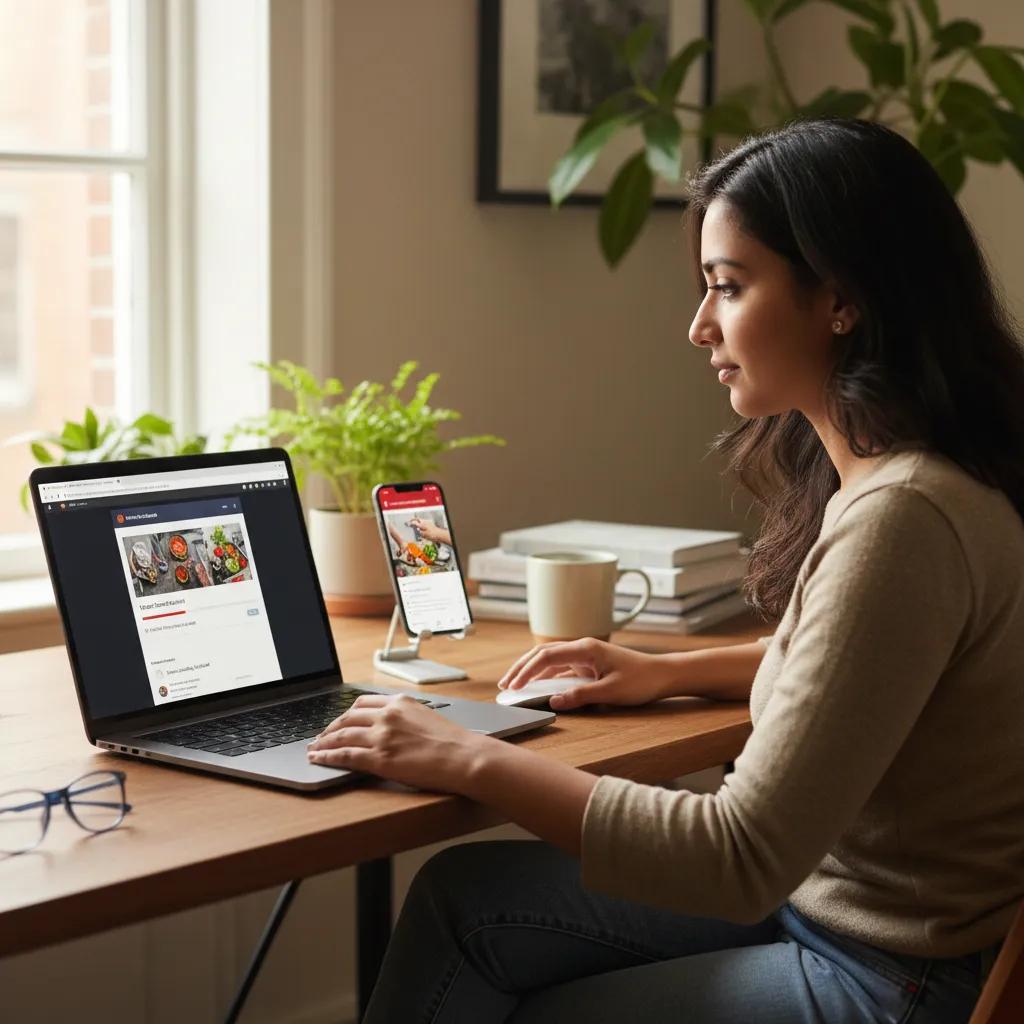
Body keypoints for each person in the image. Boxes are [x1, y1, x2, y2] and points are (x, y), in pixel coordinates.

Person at [306, 119, 1024, 1022]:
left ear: (839, 297)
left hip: (890, 977)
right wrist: (663, 671)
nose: (698, 326)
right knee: (462, 902)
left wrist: (466, 756)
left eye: (727, 286)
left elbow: (734, 857)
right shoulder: (925, 478)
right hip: (832, 917)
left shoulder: (906, 519)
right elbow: (861, 674)